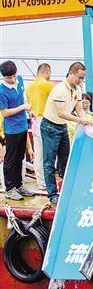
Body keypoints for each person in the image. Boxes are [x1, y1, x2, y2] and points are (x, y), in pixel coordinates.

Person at [41, 61, 92, 205]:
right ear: (71, 74)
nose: (80, 81)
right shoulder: (59, 90)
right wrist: (80, 121)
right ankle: (52, 194)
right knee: (49, 162)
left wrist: (86, 121)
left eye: (83, 78)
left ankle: (67, 187)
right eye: (79, 78)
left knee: (65, 158)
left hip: (62, 126)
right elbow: (62, 112)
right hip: (50, 126)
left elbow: (79, 109)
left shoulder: (76, 90)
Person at [0, 61, 33, 201]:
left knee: (20, 157)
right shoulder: (2, 91)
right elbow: (5, 112)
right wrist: (23, 107)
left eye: (14, 76)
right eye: (9, 77)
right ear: (4, 77)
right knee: (10, 159)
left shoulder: (19, 81)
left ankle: (19, 185)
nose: (12, 79)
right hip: (11, 129)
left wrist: (28, 112)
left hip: (22, 125)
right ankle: (9, 188)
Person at [27, 63, 53, 192]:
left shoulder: (29, 87)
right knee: (49, 154)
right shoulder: (48, 85)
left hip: (35, 121)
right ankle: (48, 182)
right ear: (47, 72)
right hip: (47, 121)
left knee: (39, 154)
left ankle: (41, 183)